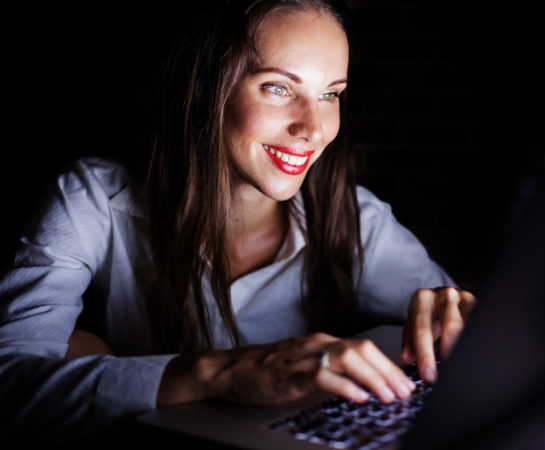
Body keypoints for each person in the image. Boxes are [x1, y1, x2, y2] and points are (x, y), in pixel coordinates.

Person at [0, 0, 475, 441]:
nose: (313, 128)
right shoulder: (92, 197)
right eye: (278, 88)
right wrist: (215, 372)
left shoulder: (353, 214)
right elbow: (10, 379)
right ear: (204, 88)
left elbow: (463, 341)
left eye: (330, 94)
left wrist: (449, 318)